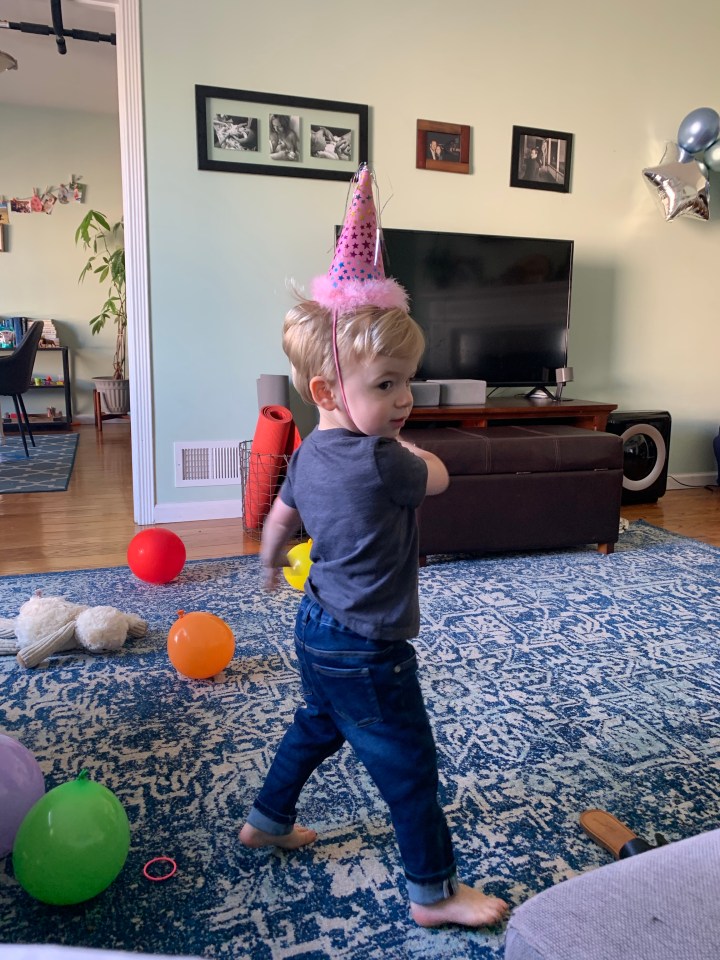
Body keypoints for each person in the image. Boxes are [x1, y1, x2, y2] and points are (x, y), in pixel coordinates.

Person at [240, 164, 509, 930]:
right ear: (328, 392)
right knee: (409, 766)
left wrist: (269, 563)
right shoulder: (387, 460)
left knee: (317, 724)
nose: (405, 400)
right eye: (387, 385)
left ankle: (266, 818)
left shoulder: (307, 455)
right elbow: (441, 479)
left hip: (316, 626)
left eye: (408, 382)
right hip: (370, 646)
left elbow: (279, 519)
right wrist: (417, 451)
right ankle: (432, 893)